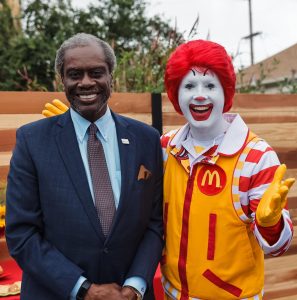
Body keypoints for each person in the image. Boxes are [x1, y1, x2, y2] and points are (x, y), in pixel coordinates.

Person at [5, 33, 163, 300]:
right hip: (56, 293)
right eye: (75, 74)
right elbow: (22, 232)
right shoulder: (32, 141)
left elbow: (155, 223)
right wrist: (84, 289)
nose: (86, 82)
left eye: (96, 72)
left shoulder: (146, 139)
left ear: (111, 76)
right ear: (62, 80)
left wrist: (135, 285)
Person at [159, 39, 295, 299]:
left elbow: (278, 247)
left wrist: (270, 224)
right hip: (172, 294)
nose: (200, 94)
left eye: (210, 85)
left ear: (226, 92)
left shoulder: (257, 156)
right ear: (176, 94)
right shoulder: (166, 147)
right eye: (189, 85)